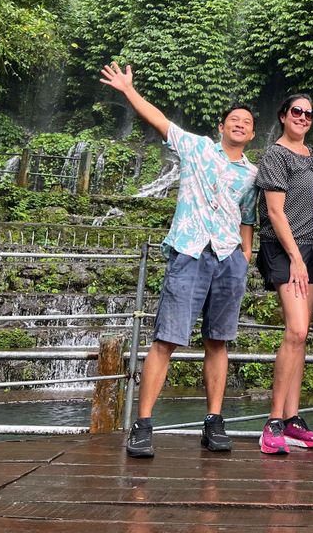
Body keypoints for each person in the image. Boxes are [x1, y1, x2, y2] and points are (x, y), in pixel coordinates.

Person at [99, 62, 257, 460]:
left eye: (247, 122)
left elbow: (249, 217)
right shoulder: (196, 147)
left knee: (218, 341)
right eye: (233, 119)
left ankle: (214, 422)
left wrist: (246, 254)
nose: (239, 124)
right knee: (166, 338)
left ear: (253, 134)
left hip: (228, 257)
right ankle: (143, 424)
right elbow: (159, 120)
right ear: (221, 126)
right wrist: (128, 90)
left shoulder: (252, 173)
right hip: (189, 250)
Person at [256, 93, 313, 454]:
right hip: (287, 250)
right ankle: (272, 422)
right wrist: (296, 258)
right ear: (283, 115)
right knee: (296, 330)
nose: (303, 117)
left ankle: (292, 420)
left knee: (302, 336)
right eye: (296, 111)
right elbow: (274, 212)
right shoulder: (274, 154)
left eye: (309, 114)